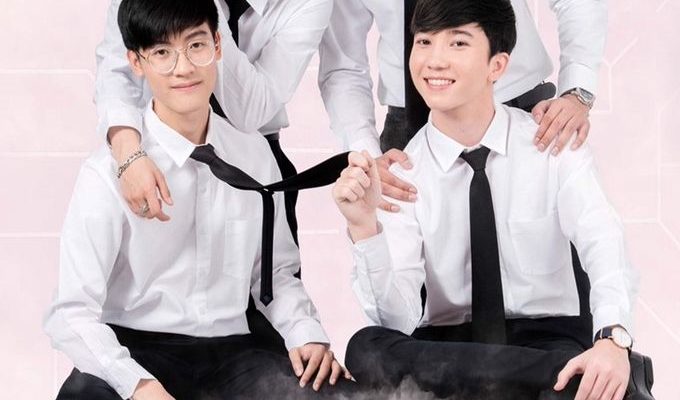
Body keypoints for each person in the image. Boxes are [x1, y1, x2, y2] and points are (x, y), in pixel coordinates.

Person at [332, 0, 645, 398]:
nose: (436, 60)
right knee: (367, 346)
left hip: (535, 337)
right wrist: (364, 228)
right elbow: (397, 320)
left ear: (498, 65)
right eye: (423, 42)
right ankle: (561, 379)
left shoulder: (552, 147)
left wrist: (613, 338)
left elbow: (602, 238)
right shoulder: (403, 172)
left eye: (457, 43)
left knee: (589, 344)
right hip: (450, 345)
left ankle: (575, 373)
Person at [44, 1, 353, 398]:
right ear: (136, 62)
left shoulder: (256, 156)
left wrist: (306, 334)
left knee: (330, 390)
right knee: (85, 394)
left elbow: (274, 274)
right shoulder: (106, 173)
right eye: (162, 53)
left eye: (196, 46)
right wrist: (138, 385)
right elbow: (71, 312)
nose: (184, 68)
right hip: (138, 345)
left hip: (234, 353)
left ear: (219, 46)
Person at [318, 0, 606, 212]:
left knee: (555, 260)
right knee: (405, 269)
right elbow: (343, 65)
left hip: (524, 115)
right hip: (409, 134)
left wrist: (577, 89)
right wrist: (366, 157)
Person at [96, 0, 332, 224]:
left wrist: (206, 16)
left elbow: (251, 110)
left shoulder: (307, 3)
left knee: (269, 252)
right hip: (153, 156)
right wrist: (129, 156)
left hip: (256, 162)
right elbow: (116, 72)